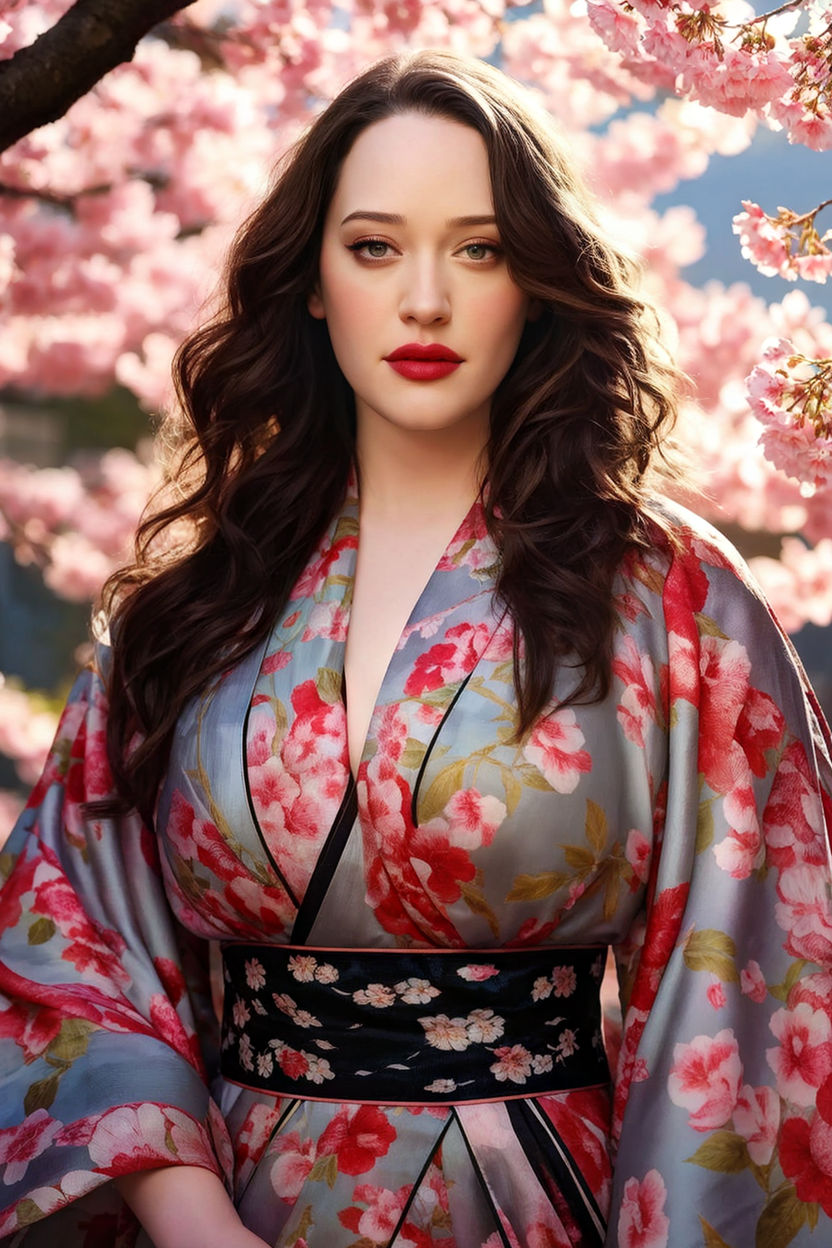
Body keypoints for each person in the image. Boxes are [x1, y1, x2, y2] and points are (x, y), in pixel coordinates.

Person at [0, 47, 830, 1248]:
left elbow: (760, 971)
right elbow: (65, 926)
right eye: (375, 247)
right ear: (313, 282)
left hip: (538, 1199)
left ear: (537, 284)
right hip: (225, 1204)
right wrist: (187, 1218)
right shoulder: (196, 601)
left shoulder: (666, 594)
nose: (424, 300)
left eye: (479, 250)